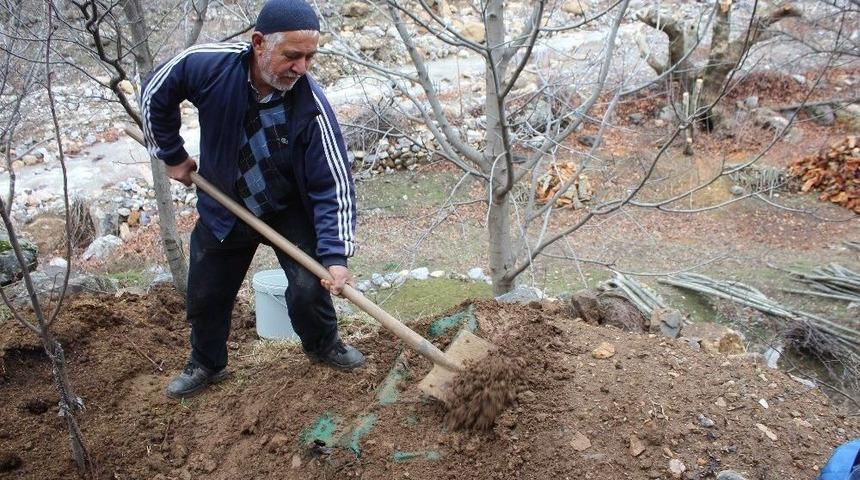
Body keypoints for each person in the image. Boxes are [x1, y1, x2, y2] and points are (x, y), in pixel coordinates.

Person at [141, 0, 364, 399]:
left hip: (286, 208)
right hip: (224, 202)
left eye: (310, 57)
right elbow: (157, 91)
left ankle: (324, 345)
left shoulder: (312, 109)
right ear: (259, 43)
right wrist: (172, 154)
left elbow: (332, 186)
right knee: (207, 292)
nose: (302, 68)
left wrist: (335, 256)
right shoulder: (208, 66)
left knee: (310, 287)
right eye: (292, 56)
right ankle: (206, 362)